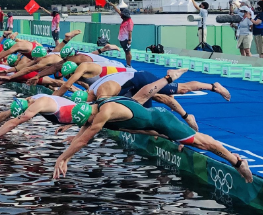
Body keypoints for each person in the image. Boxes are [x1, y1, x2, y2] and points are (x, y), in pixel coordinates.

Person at [52, 68, 253, 183]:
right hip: (145, 117)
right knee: (138, 124)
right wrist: (70, 131)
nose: (86, 124)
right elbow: (140, 97)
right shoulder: (100, 106)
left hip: (161, 120)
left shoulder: (106, 109)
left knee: (202, 143)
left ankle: (237, 163)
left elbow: (86, 137)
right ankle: (184, 134)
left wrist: (62, 158)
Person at [109, 1, 133, 67]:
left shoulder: (129, 21)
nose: (122, 16)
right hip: (121, 38)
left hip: (126, 39)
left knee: (128, 52)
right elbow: (118, 12)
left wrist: (129, 40)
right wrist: (113, 6)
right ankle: (127, 64)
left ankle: (129, 64)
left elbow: (130, 31)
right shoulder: (124, 19)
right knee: (126, 52)